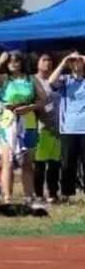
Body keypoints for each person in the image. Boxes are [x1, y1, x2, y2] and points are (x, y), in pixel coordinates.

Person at [0, 51, 47, 204]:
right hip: (8, 123)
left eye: (16, 60)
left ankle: (29, 196)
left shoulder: (32, 80)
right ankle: (8, 197)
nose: (13, 63)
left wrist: (30, 107)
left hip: (28, 122)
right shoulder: (4, 79)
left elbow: (44, 99)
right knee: (8, 162)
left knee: (27, 163)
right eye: (9, 61)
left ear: (22, 62)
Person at [48, 52, 85, 200]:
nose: (76, 63)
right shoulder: (65, 80)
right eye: (73, 61)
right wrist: (63, 62)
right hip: (69, 128)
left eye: (79, 60)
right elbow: (51, 81)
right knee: (68, 162)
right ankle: (67, 193)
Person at [33, 53, 61, 203]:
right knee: (40, 164)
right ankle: (38, 194)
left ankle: (53, 194)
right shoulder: (32, 81)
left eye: (50, 60)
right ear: (37, 63)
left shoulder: (57, 81)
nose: (47, 63)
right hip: (41, 128)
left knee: (55, 164)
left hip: (57, 129)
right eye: (44, 60)